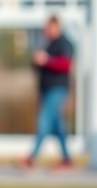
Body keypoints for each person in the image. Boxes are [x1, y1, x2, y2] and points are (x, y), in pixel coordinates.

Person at [17, 16, 75, 172]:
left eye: (51, 27)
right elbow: (38, 66)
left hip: (58, 89)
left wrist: (47, 61)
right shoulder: (47, 44)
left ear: (57, 27)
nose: (48, 30)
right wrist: (36, 62)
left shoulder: (65, 44)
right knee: (57, 126)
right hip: (46, 89)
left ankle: (31, 158)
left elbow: (67, 65)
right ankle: (67, 159)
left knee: (44, 121)